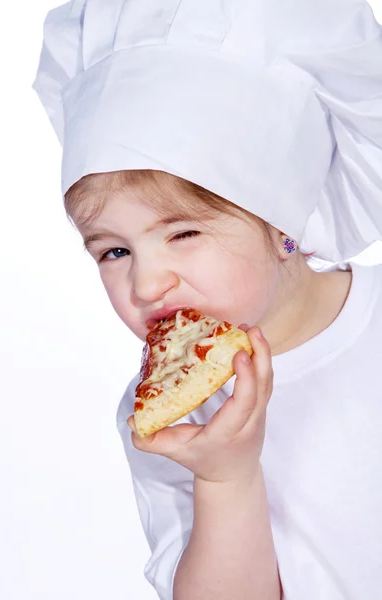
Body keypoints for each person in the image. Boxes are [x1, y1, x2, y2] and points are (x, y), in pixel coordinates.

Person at [32, 1, 382, 599]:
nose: (145, 286)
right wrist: (226, 476)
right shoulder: (167, 419)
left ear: (282, 225)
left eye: (184, 233)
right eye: (113, 251)